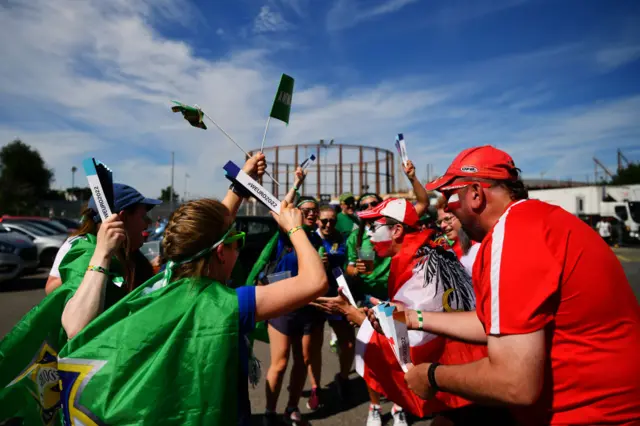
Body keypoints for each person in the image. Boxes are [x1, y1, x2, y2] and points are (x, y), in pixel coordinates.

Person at [397, 145, 640, 425]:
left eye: (450, 196)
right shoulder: (539, 220)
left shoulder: (511, 235)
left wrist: (430, 375)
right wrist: (413, 319)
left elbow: (514, 384)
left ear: (475, 194)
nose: (445, 207)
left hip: (588, 415)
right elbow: (496, 324)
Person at [57, 176, 329, 425]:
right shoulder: (231, 304)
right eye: (238, 240)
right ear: (221, 252)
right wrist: (295, 229)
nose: (240, 248)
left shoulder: (160, 285)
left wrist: (239, 185)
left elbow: (206, 231)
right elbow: (315, 282)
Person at [315, 198, 496, 425]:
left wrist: (357, 316)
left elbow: (413, 339)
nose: (369, 235)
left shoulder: (419, 265)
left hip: (466, 378)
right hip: (470, 367)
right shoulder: (429, 248)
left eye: (374, 227)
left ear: (397, 230)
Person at [262, 195, 325, 426]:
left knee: (303, 360)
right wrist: (297, 183)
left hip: (309, 308)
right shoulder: (286, 233)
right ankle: (269, 411)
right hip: (284, 306)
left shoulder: (318, 241)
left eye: (314, 210)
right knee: (279, 363)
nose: (311, 213)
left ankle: (291, 407)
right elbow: (280, 208)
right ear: (296, 213)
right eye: (305, 209)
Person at [306, 204, 352, 411]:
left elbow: (345, 262)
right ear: (317, 220)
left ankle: (343, 378)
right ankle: (316, 387)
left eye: (332, 220)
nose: (328, 224)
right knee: (313, 347)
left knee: (348, 342)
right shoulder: (309, 238)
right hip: (314, 299)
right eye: (324, 220)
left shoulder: (340, 238)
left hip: (336, 297)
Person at [435, 197, 479, 276]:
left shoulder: (478, 246)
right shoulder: (448, 251)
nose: (442, 225)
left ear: (461, 216)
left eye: (447, 219)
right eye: (439, 222)